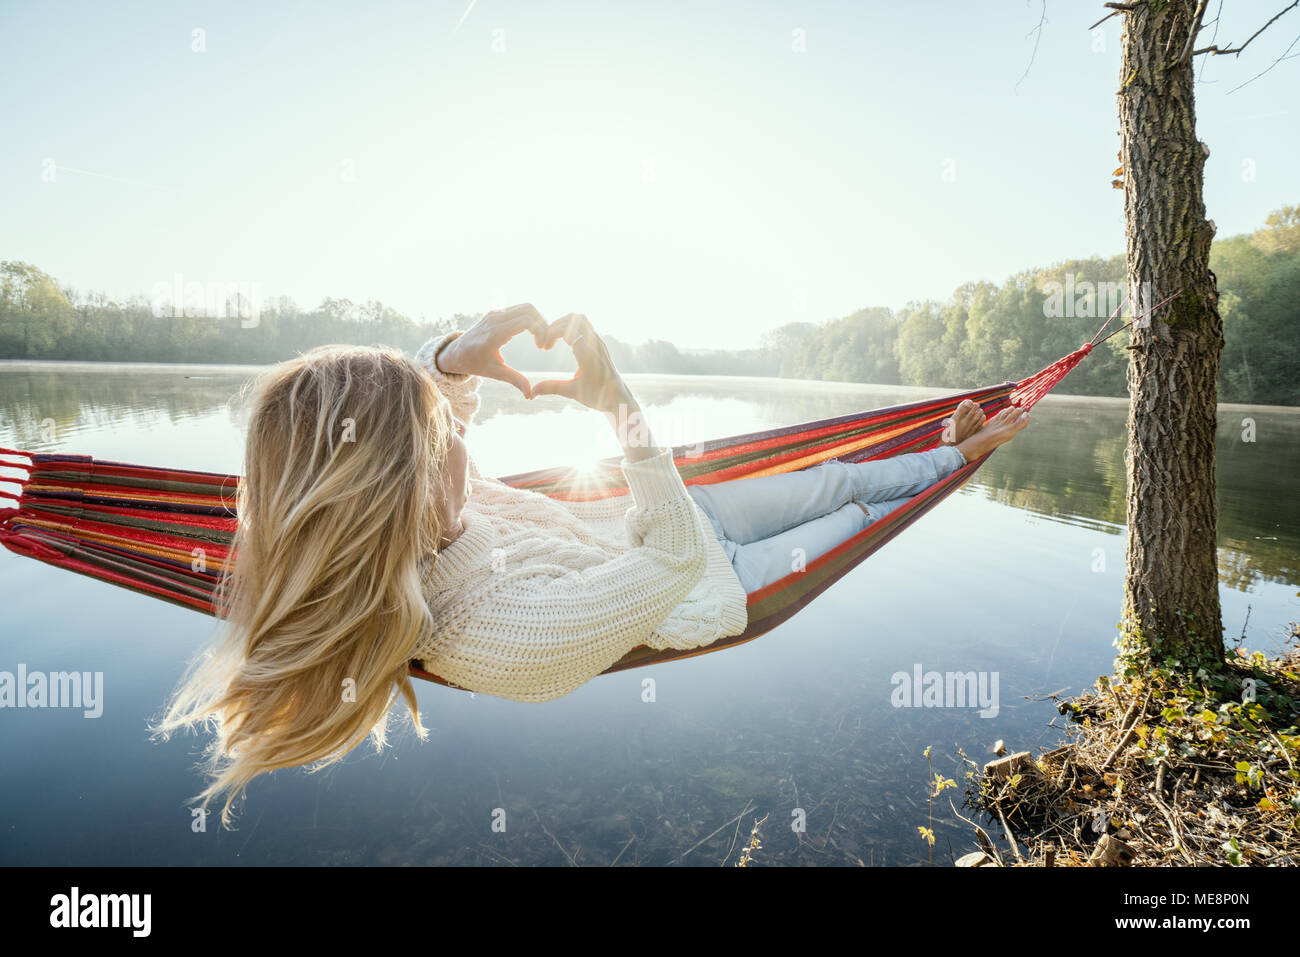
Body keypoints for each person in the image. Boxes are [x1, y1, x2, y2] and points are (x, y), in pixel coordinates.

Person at [154, 304, 1028, 824]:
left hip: (670, 512)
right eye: (446, 433)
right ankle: (957, 459)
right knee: (866, 512)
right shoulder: (502, 639)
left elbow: (408, 439)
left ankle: (936, 448)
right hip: (712, 582)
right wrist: (619, 409)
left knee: (834, 475)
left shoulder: (425, 514)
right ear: (408, 486)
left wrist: (451, 360)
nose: (464, 429)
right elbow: (678, 565)